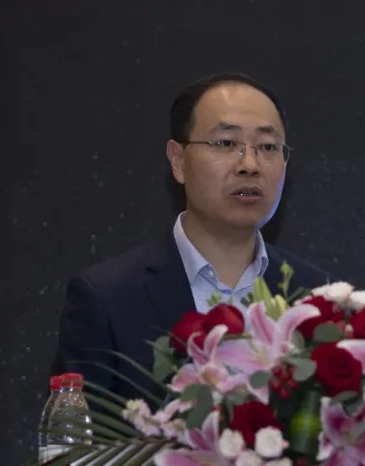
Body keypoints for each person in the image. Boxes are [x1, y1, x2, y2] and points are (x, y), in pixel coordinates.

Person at [50, 72, 332, 408]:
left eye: (268, 147)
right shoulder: (108, 299)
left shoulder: (315, 296)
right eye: (226, 143)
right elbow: (79, 438)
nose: (250, 165)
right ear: (178, 160)